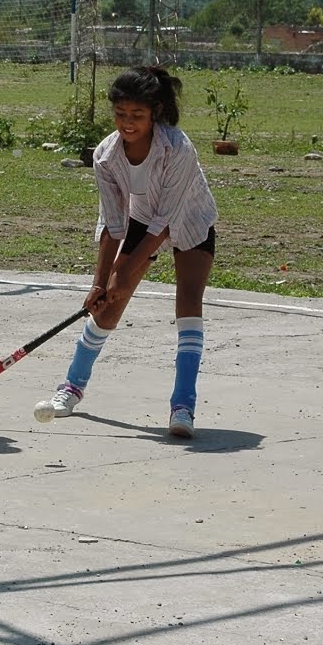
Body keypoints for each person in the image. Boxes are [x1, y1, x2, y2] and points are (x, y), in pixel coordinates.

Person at [34, 65, 217, 438]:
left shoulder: (178, 148)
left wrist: (125, 270)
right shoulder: (106, 155)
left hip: (190, 218)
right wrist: (101, 281)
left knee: (188, 303)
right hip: (141, 220)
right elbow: (113, 223)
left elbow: (166, 222)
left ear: (155, 114)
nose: (127, 123)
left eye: (137, 116)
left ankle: (183, 406)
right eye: (120, 114)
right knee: (108, 306)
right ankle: (71, 386)